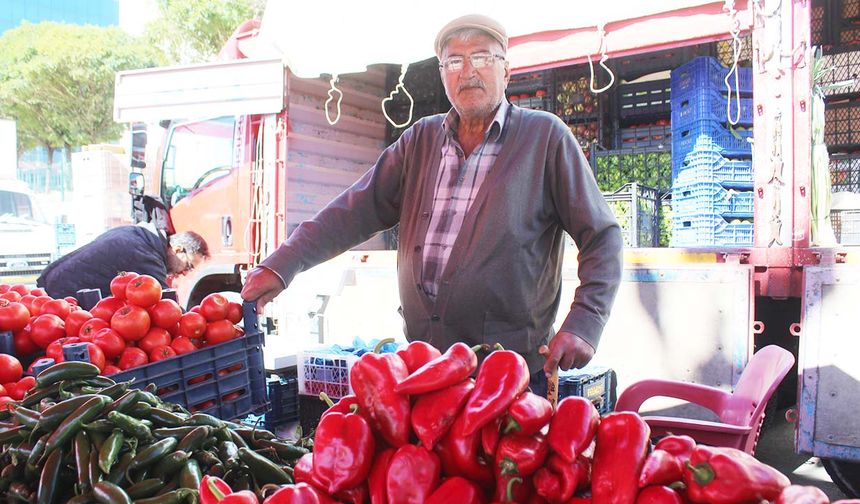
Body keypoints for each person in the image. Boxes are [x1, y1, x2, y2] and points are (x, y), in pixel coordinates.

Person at [241, 14, 623, 395]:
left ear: (506, 71)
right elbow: (352, 211)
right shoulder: (419, 140)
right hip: (427, 370)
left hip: (510, 377)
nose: (468, 71)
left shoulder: (545, 138)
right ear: (443, 75)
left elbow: (602, 236)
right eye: (454, 61)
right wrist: (283, 264)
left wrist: (585, 321)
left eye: (483, 57)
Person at [38, 223, 209, 300]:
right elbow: (167, 305)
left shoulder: (139, 235)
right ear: (178, 249)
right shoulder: (147, 257)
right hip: (62, 295)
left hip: (53, 280)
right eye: (188, 266)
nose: (184, 273)